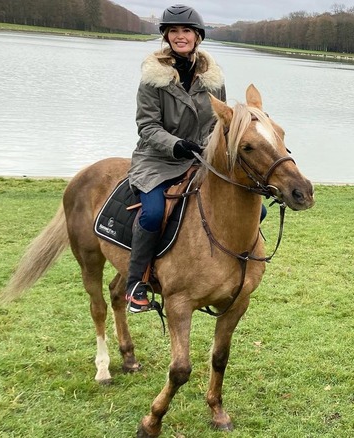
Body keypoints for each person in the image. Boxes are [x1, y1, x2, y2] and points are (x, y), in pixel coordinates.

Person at [125, 4, 226, 313]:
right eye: (174, 31)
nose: (180, 37)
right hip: (157, 159)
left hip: (199, 158)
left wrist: (207, 147)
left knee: (255, 209)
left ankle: (228, 275)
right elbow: (147, 126)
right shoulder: (152, 79)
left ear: (198, 36)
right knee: (154, 213)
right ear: (166, 36)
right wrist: (177, 145)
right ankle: (136, 281)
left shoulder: (214, 80)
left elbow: (219, 123)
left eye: (187, 31)